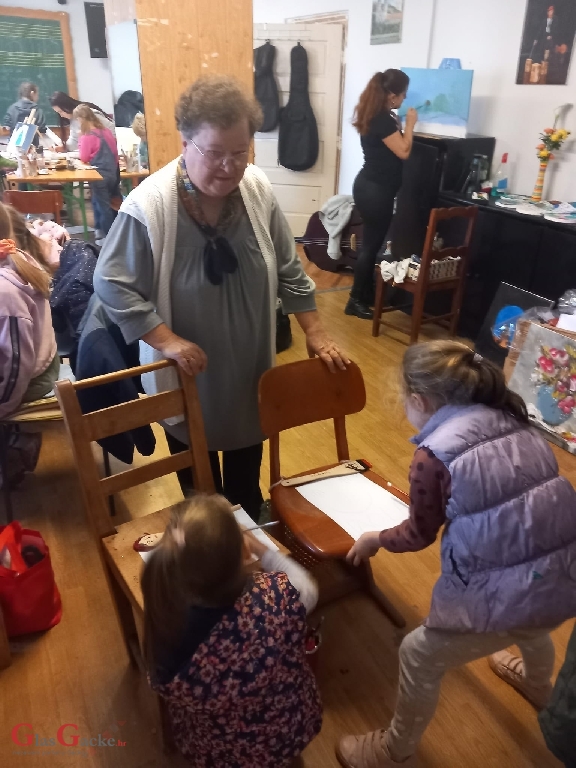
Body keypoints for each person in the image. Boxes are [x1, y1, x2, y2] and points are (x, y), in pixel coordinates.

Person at [93, 75, 348, 521]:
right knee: (203, 504)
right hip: (186, 377)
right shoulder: (150, 205)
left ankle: (251, 546)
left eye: (240, 153)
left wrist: (316, 331)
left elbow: (289, 269)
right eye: (215, 153)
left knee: (246, 487)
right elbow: (112, 282)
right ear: (185, 142)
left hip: (250, 373)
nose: (229, 167)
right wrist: (167, 340)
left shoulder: (257, 190)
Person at [338, 340, 576, 768]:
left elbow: (418, 534)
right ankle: (539, 684)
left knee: (417, 654)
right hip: (563, 575)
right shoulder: (514, 417)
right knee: (534, 613)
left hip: (515, 591)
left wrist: (375, 538)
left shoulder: (433, 457)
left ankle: (395, 752)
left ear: (418, 400)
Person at [142, 494, 322, 767]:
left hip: (216, 751)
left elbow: (160, 679)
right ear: (243, 553)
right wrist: (260, 548)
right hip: (290, 728)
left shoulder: (167, 621)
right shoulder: (276, 597)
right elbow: (307, 587)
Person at [344, 70, 417, 320]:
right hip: (375, 191)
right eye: (403, 94)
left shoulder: (378, 115)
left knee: (371, 244)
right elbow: (404, 151)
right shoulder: (383, 120)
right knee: (371, 246)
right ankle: (355, 300)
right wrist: (411, 125)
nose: (404, 99)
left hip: (370, 187)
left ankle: (364, 294)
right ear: (392, 95)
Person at [0, 203, 59, 487]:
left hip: (31, 376)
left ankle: (16, 449)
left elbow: (17, 366)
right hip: (37, 360)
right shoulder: (16, 258)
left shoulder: (5, 292)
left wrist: (4, 405)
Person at [75, 104, 120, 239]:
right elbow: (114, 153)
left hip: (99, 175)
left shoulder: (87, 136)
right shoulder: (106, 131)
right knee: (109, 203)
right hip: (113, 173)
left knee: (104, 207)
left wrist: (80, 140)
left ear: (81, 119)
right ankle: (102, 230)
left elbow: (84, 157)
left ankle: (110, 238)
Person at [49, 91, 116, 151]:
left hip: (106, 154)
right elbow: (74, 141)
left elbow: (112, 128)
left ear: (66, 106)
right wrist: (63, 147)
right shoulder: (73, 119)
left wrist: (110, 147)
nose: (61, 115)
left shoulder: (90, 113)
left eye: (60, 111)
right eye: (58, 113)